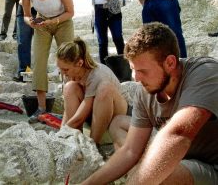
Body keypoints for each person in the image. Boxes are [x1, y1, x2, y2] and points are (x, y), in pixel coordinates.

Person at [82, 22, 218, 185]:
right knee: (121, 127)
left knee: (163, 174)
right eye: (133, 69)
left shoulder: (205, 72)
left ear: (170, 63)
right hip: (181, 157)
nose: (135, 78)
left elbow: (178, 134)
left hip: (211, 166)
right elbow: (130, 151)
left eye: (142, 71)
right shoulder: (145, 91)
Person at [18, 0, 74, 123]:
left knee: (68, 61)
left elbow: (70, 12)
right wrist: (31, 22)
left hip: (62, 21)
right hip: (42, 22)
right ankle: (41, 108)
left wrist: (54, 21)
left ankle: (71, 107)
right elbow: (26, 16)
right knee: (39, 61)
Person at [56, 37, 130, 146]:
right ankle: (75, 141)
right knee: (69, 87)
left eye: (65, 69)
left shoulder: (97, 74)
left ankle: (93, 144)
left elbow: (81, 115)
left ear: (80, 63)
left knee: (105, 88)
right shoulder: (69, 74)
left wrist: (63, 131)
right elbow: (68, 111)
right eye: (60, 69)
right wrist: (62, 133)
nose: (63, 73)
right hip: (92, 114)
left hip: (115, 113)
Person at [12, 0, 37, 82]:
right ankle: (25, 73)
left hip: (41, 12)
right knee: (23, 43)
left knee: (41, 43)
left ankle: (39, 73)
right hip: (22, 12)